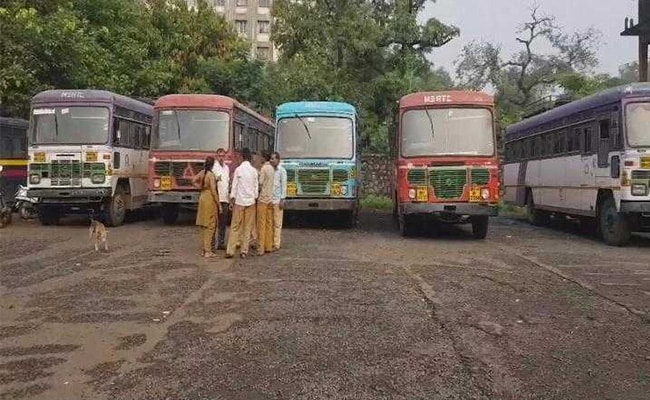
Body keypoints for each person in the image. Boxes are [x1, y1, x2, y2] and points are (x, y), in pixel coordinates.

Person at [226, 148, 258, 259]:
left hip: (239, 201)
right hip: (251, 202)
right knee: (247, 227)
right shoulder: (254, 171)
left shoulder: (238, 170)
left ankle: (230, 250)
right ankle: (244, 251)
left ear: (242, 157)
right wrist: (254, 198)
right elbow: (256, 188)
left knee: (235, 226)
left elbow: (234, 186)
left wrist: (232, 200)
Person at [192, 156, 221, 258]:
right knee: (211, 226)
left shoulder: (202, 172)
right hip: (209, 200)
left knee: (204, 225)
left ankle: (204, 250)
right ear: (213, 164)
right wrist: (219, 204)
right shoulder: (211, 175)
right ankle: (208, 251)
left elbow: (193, 180)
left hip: (202, 197)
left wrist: (200, 187)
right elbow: (213, 191)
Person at [256, 151, 275, 256]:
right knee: (269, 223)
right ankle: (268, 246)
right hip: (270, 198)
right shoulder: (272, 168)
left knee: (261, 224)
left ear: (263, 158)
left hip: (263, 199)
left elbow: (261, 182)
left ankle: (261, 247)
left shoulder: (263, 168)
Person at [212, 148, 230, 250]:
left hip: (225, 198)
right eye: (220, 156)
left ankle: (221, 242)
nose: (221, 158)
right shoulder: (214, 168)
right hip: (216, 198)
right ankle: (212, 242)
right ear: (216, 156)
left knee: (223, 223)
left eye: (223, 156)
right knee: (214, 222)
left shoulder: (226, 168)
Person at [270, 152, 287, 251]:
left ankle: (276, 243)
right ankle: (270, 242)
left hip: (278, 200)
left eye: (273, 159)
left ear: (278, 160)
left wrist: (282, 199)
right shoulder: (270, 170)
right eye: (271, 159)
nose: (271, 160)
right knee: (271, 222)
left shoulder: (282, 171)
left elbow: (284, 186)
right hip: (270, 200)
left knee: (277, 223)